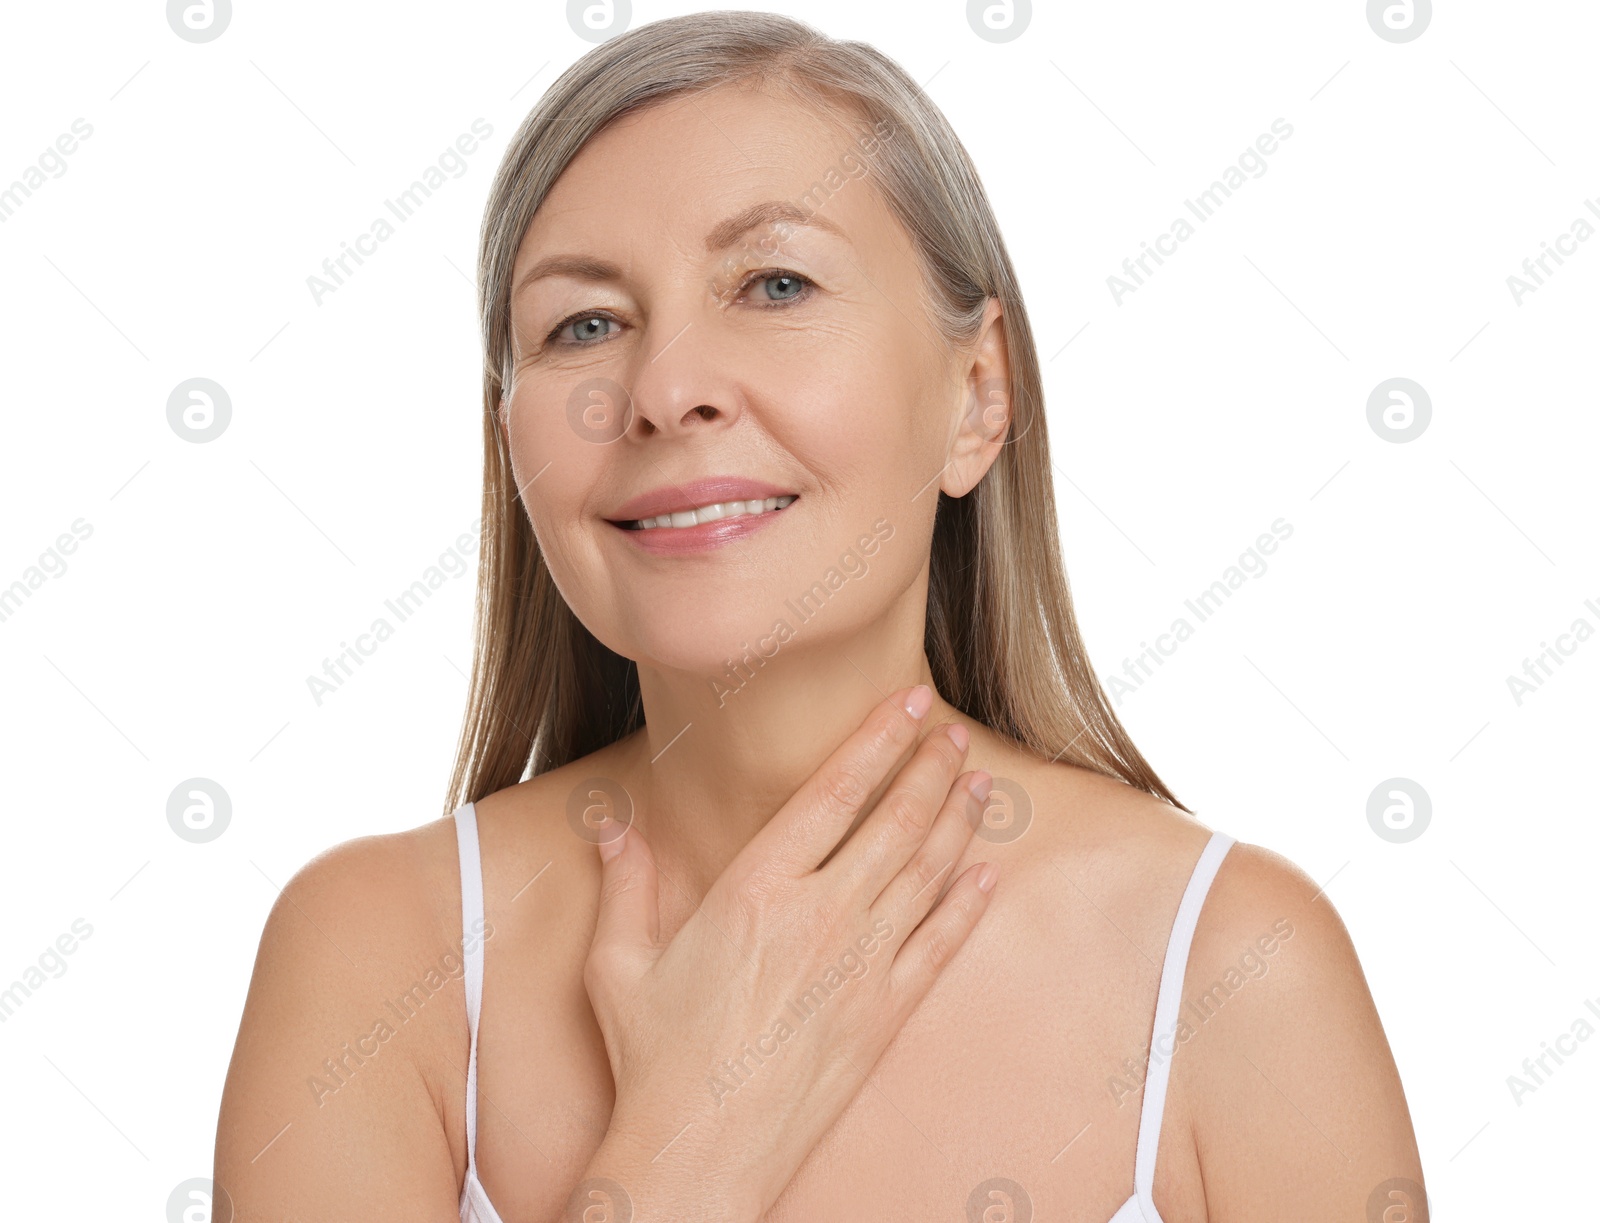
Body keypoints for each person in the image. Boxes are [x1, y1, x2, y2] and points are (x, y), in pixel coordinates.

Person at [216, 11, 1425, 1221]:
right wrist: (691, 1138)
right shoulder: (375, 959)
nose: (666, 389)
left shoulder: (1234, 966)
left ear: (977, 393)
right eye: (584, 322)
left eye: (774, 283)